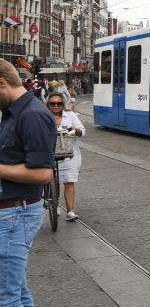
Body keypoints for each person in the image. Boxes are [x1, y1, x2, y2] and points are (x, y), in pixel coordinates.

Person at [0, 59, 56, 307]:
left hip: (15, 214)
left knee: (6, 301)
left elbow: (41, 173)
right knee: (17, 294)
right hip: (11, 212)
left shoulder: (32, 115)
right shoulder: (13, 113)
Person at [46, 93, 85, 221]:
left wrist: (75, 130)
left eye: (59, 103)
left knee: (69, 181)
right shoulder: (43, 116)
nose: (56, 106)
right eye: (53, 103)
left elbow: (82, 131)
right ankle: (55, 205)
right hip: (50, 154)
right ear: (48, 105)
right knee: (54, 181)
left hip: (69, 155)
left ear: (62, 104)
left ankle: (70, 211)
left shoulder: (70, 115)